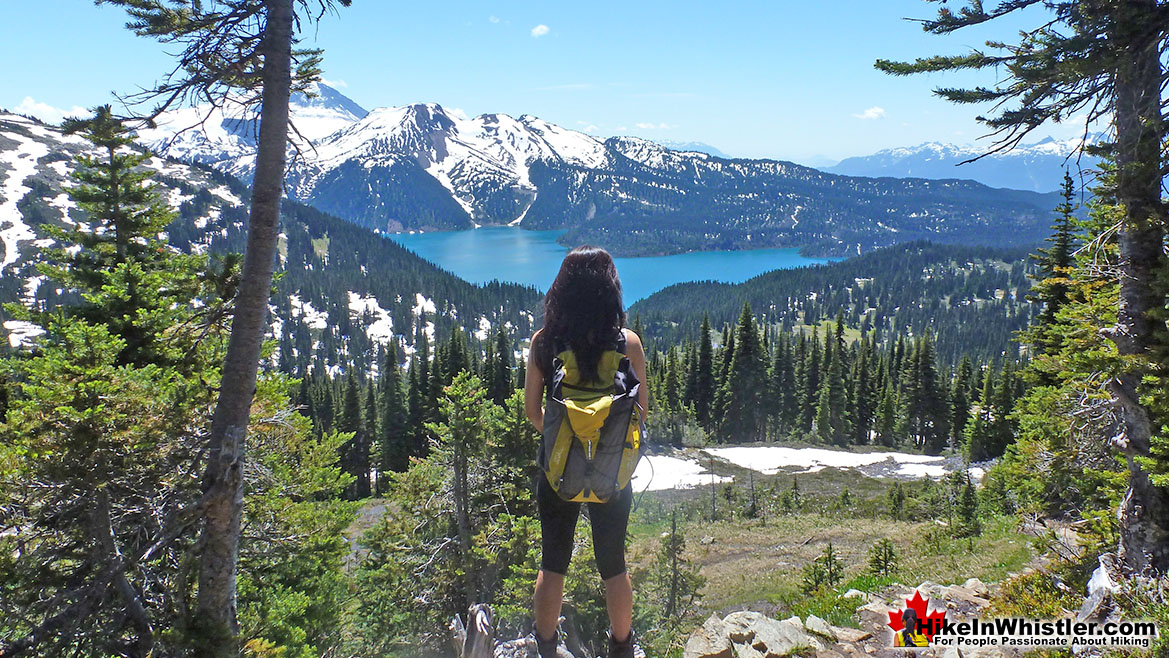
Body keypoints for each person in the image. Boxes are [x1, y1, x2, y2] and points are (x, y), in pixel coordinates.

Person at [524, 246, 648, 658]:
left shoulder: (545, 342)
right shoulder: (627, 343)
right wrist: (601, 444)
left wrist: (568, 440)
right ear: (609, 289)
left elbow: (533, 412)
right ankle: (621, 647)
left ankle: (545, 647)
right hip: (613, 472)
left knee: (553, 561)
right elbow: (639, 413)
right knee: (614, 564)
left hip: (558, 471)